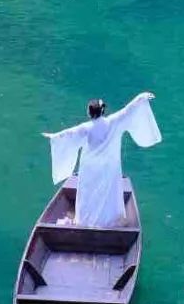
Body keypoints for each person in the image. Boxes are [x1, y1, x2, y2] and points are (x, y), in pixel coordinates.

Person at [43, 91, 161, 228]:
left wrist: (53, 136)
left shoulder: (85, 128)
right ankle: (108, 220)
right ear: (103, 111)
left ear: (89, 113)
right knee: (109, 192)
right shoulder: (114, 121)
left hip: (90, 167)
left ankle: (85, 220)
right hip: (109, 165)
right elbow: (129, 110)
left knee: (88, 192)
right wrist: (141, 98)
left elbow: (68, 135)